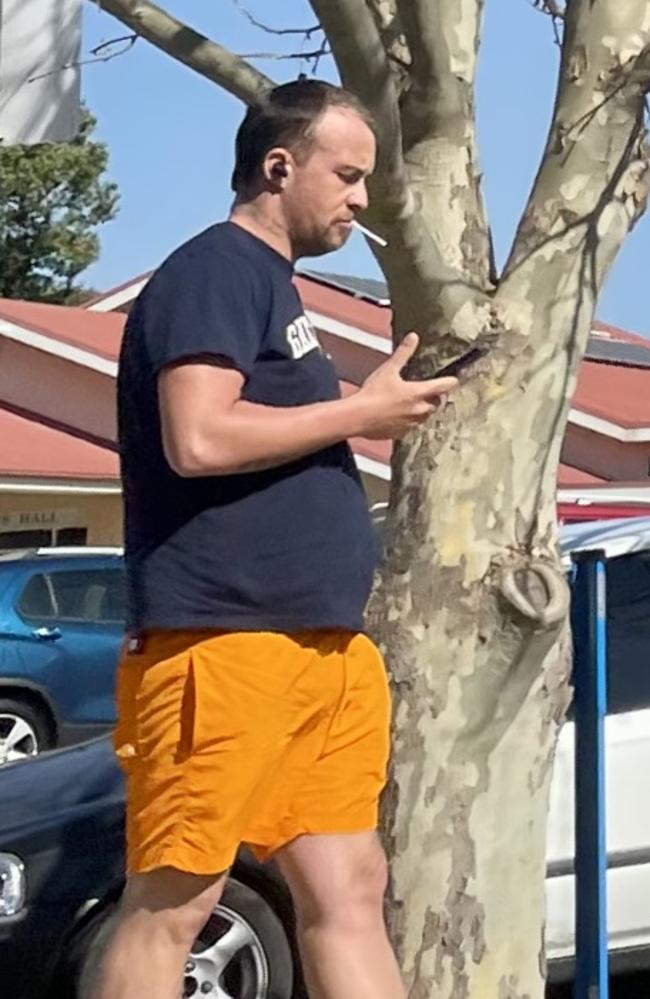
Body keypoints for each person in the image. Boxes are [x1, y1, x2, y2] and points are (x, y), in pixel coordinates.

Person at [95, 79, 457, 999]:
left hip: (325, 652)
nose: (359, 198)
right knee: (176, 900)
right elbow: (200, 435)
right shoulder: (215, 268)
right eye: (347, 174)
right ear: (278, 165)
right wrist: (360, 411)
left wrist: (356, 411)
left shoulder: (277, 289)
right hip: (224, 644)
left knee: (352, 887)